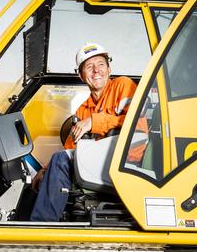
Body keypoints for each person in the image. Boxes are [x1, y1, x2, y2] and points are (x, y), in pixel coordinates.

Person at [30, 43, 137, 222]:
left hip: (127, 160)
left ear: (109, 69)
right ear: (81, 75)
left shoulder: (122, 86)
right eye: (89, 67)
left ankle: (41, 226)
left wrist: (94, 122)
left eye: (101, 64)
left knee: (61, 160)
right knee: (48, 173)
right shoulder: (83, 109)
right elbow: (70, 147)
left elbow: (137, 123)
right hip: (99, 164)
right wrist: (45, 171)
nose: (96, 70)